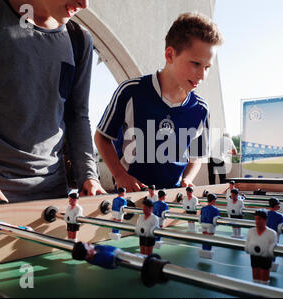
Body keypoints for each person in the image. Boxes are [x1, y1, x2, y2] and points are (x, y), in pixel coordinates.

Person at [0, 0, 105, 207]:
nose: (84, 4)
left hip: (54, 199)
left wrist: (89, 176)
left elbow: (77, 116)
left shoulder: (79, 39)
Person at [94, 12, 224, 192]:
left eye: (207, 67)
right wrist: (120, 176)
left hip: (172, 200)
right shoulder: (130, 91)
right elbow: (102, 137)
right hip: (131, 200)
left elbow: (196, 157)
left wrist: (187, 179)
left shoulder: (201, 109)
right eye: (195, 63)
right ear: (170, 55)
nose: (202, 75)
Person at [245, 209, 277, 285]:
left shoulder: (272, 233)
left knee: (264, 277)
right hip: (254, 256)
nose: (257, 221)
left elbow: (272, 249)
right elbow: (247, 244)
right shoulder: (251, 231)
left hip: (266, 258)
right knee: (255, 275)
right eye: (256, 219)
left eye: (259, 219)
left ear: (265, 220)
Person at [199, 193, 220, 259]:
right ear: (213, 200)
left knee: (204, 237)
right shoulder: (215, 209)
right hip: (210, 225)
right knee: (210, 239)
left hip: (203, 224)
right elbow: (217, 219)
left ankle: (204, 250)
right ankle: (208, 251)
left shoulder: (203, 208)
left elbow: (200, 217)